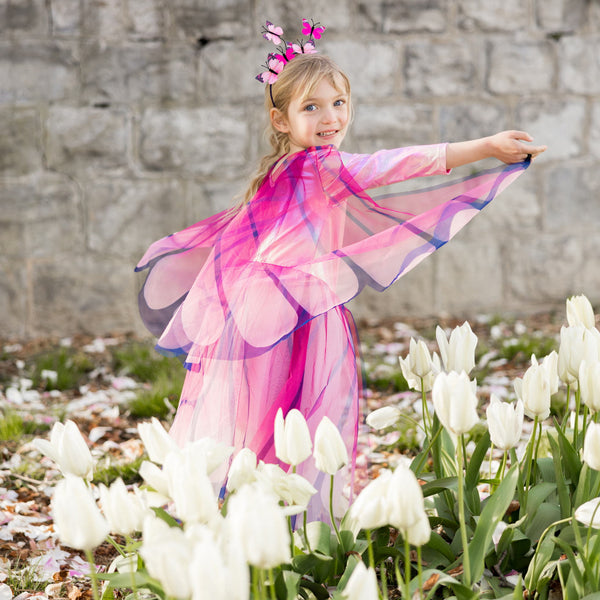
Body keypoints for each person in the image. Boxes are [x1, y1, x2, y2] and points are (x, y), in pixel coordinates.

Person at [135, 20, 546, 522]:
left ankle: (239, 514)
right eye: (311, 107)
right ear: (281, 119)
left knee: (259, 417)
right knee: (303, 414)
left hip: (268, 301)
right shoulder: (317, 166)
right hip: (294, 304)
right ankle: (297, 521)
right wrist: (484, 147)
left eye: (338, 104)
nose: (329, 117)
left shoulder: (285, 168)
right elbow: (394, 164)